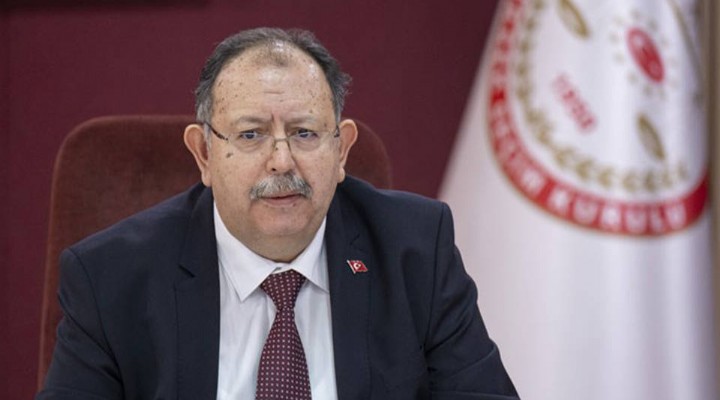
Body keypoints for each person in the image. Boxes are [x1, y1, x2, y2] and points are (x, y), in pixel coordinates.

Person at [37, 28, 519, 400]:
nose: (282, 161)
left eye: (305, 133)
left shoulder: (414, 250)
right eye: (251, 135)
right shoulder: (111, 279)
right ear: (204, 154)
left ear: (342, 150)